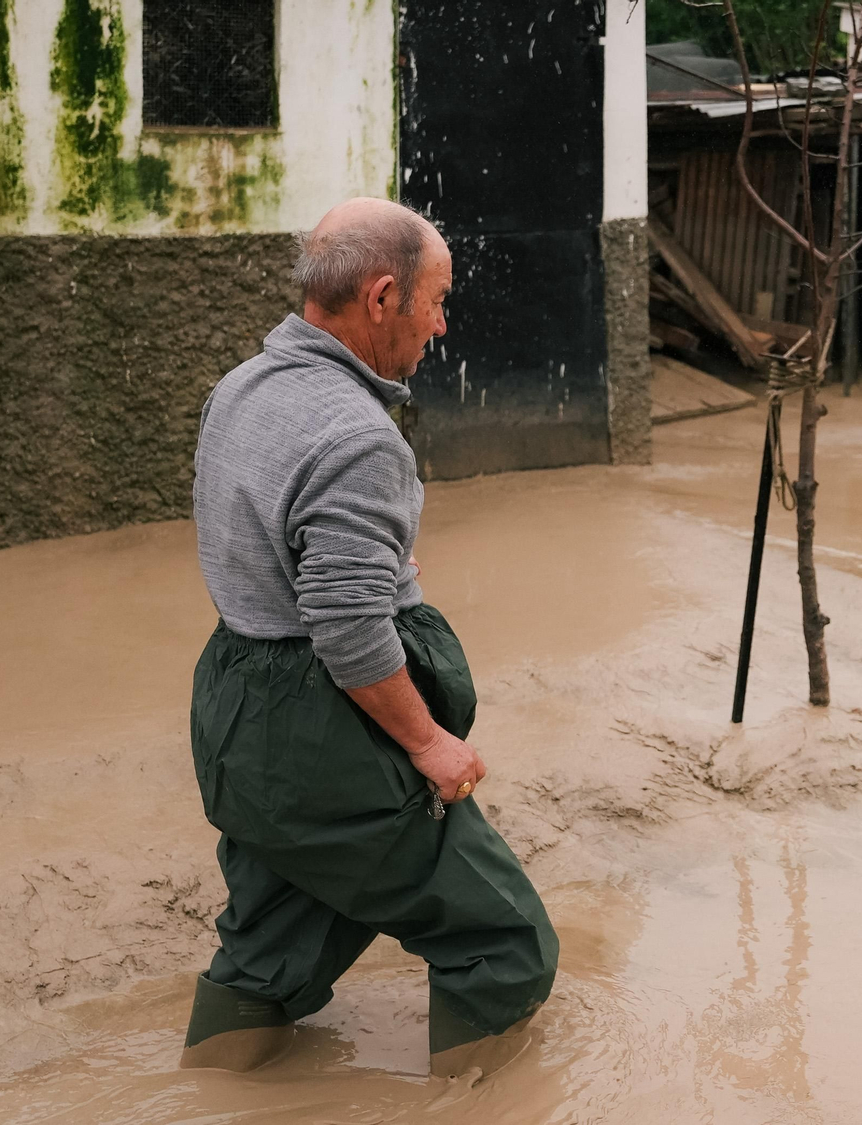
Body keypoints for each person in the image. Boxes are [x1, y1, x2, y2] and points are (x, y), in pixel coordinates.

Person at [180, 197, 558, 1079]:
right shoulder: (356, 438)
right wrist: (428, 742)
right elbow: (347, 630)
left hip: (237, 714)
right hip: (323, 735)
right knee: (503, 941)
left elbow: (272, 542)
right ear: (382, 296)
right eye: (435, 299)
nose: (442, 321)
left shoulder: (238, 390)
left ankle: (206, 1089)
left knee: (272, 945)